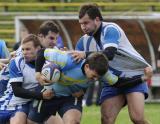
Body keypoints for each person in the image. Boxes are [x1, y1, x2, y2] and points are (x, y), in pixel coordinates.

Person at [69, 3, 152, 124]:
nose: (83, 27)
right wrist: (66, 56)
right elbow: (78, 67)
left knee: (137, 118)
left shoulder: (110, 29)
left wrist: (84, 54)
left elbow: (109, 53)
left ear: (97, 19)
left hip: (133, 75)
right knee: (106, 119)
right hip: (111, 81)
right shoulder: (83, 41)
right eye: (81, 23)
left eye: (86, 23)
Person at [0, 34, 53, 124]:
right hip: (9, 103)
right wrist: (42, 95)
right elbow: (17, 91)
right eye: (23, 49)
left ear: (38, 49)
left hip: (27, 104)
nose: (24, 52)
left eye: (28, 49)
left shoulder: (48, 66)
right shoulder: (17, 62)